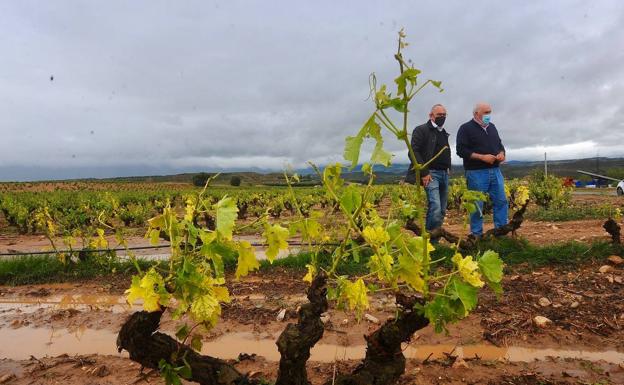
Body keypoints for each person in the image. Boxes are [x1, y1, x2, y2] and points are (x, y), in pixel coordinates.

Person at [456, 102, 508, 238]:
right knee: (477, 205)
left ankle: (501, 232)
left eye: (489, 112)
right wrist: (482, 157)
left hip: (495, 170)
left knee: (501, 201)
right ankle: (476, 235)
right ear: (476, 114)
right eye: (485, 113)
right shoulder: (465, 128)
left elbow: (500, 144)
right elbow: (461, 150)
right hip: (476, 172)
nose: (488, 115)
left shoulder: (492, 127)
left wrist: (502, 154)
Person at [405, 104, 451, 238]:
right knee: (435, 206)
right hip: (431, 174)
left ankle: (434, 241)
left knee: (442, 209)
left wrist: (448, 167)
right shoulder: (421, 130)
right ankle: (429, 240)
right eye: (439, 115)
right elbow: (413, 152)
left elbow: (446, 152)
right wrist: (424, 172)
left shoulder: (443, 132)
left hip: (444, 173)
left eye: (444, 115)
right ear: (431, 115)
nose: (442, 117)